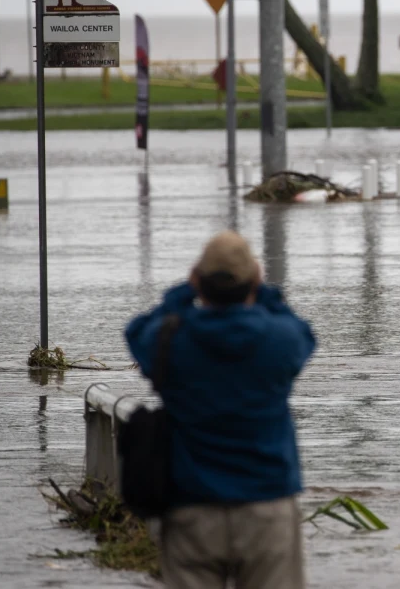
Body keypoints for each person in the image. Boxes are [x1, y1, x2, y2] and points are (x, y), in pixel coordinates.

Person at [125, 231, 315, 589]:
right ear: (254, 279)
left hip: (191, 508)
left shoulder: (171, 341)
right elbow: (303, 331)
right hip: (267, 504)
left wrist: (182, 294)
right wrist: (266, 293)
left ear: (199, 281)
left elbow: (136, 331)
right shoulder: (280, 341)